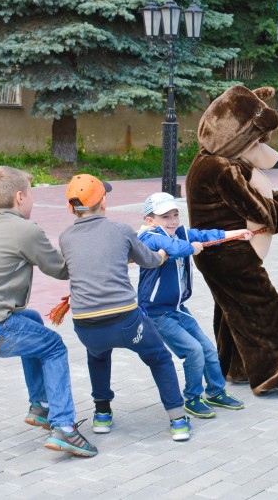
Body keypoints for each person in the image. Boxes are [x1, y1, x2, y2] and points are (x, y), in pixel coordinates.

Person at [0, 166, 97, 457]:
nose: (32, 200)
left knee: (32, 321)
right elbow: (61, 269)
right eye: (31, 194)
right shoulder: (25, 230)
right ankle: (64, 427)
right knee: (53, 346)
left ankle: (41, 406)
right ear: (20, 197)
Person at [58, 174, 192, 441]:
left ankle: (102, 415)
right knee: (159, 357)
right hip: (125, 322)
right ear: (103, 202)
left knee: (97, 355)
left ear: (72, 208)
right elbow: (149, 260)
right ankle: (178, 419)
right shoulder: (121, 230)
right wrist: (162, 255)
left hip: (86, 326)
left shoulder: (65, 237)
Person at [137, 192, 250, 419]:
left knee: (208, 349)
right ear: (150, 221)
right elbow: (175, 248)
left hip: (178, 309)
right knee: (193, 351)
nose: (173, 221)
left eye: (175, 215)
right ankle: (192, 397)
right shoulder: (147, 238)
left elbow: (205, 234)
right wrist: (193, 248)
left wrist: (236, 233)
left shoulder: (180, 233)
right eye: (165, 217)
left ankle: (216, 392)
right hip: (157, 314)